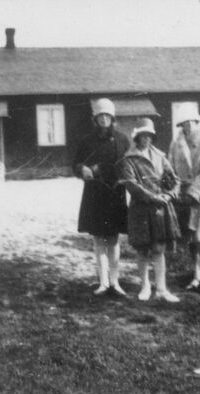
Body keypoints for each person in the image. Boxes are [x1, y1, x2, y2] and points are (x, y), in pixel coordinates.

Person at [117, 118, 181, 303]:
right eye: (142, 136)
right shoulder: (129, 159)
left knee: (159, 248)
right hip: (141, 209)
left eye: (149, 136)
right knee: (143, 249)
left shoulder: (160, 156)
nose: (146, 139)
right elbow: (131, 184)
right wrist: (153, 197)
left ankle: (161, 288)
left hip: (160, 208)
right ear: (136, 137)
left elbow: (174, 180)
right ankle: (145, 286)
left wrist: (169, 195)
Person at [72, 98, 130, 296]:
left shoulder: (122, 140)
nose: (104, 119)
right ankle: (103, 282)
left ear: (112, 118)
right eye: (100, 116)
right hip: (95, 195)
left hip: (115, 193)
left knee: (113, 239)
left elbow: (126, 164)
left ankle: (115, 281)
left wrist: (101, 169)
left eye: (107, 116)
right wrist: (82, 169)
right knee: (98, 240)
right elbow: (76, 164)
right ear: (95, 119)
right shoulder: (86, 141)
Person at [168, 104, 200, 294]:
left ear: (197, 122)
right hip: (182, 194)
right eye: (184, 124)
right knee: (190, 239)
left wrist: (194, 192)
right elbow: (171, 167)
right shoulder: (176, 143)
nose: (187, 126)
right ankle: (197, 275)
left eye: (190, 122)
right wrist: (174, 187)